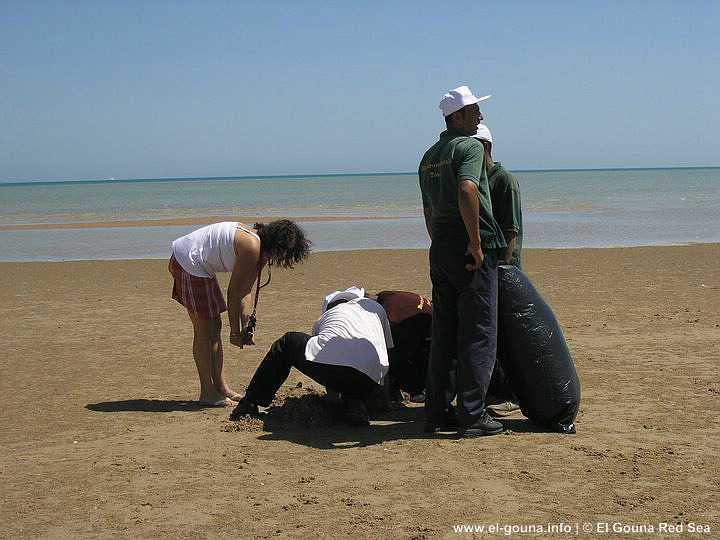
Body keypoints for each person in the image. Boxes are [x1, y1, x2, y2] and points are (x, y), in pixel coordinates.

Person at [418, 85, 507, 437]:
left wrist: (441, 241)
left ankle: (437, 410)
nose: (480, 116)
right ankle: (472, 415)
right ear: (456, 117)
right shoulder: (468, 146)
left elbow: (427, 208)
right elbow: (468, 189)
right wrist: (474, 243)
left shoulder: (429, 155)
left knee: (444, 333)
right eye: (473, 111)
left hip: (440, 246)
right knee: (479, 332)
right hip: (469, 246)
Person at [169, 219, 311, 407]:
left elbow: (245, 291)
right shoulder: (252, 246)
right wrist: (234, 332)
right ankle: (207, 392)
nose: (282, 257)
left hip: (200, 265)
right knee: (205, 329)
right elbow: (233, 292)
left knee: (214, 325)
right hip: (188, 261)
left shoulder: (261, 251)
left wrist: (246, 326)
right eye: (284, 252)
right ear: (277, 245)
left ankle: (221, 387)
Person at [230, 286, 394, 426]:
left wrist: (334, 402)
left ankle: (251, 401)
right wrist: (382, 396)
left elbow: (326, 361)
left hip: (339, 369)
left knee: (286, 343)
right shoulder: (375, 309)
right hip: (371, 380)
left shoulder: (326, 317)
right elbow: (387, 352)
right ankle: (355, 402)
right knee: (352, 363)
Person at [474, 123, 522, 417]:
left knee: (505, 333)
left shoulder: (504, 180)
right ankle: (491, 389)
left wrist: (503, 267)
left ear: (485, 147)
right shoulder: (474, 179)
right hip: (485, 268)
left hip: (503, 268)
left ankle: (510, 395)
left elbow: (511, 230)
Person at [373, 290, 433, 404]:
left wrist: (388, 383)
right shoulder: (391, 299)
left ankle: (415, 389)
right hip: (427, 323)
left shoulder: (396, 320)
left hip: (428, 337)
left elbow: (400, 356)